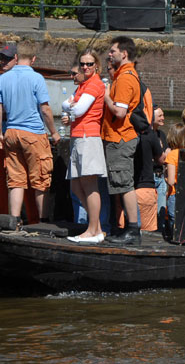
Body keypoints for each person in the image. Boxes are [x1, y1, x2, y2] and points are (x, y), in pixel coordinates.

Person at [0, 42, 60, 223]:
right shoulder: (36, 78)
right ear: (33, 59)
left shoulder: (3, 79)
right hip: (33, 133)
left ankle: (13, 222)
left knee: (15, 181)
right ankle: (43, 223)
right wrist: (54, 133)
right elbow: (45, 109)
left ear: (16, 57)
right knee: (41, 181)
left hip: (11, 132)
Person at [0, 44, 39, 222]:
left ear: (17, 59)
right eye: (1, 58)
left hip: (16, 134)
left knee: (22, 178)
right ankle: (1, 217)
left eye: (7, 58)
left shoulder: (27, 79)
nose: (2, 61)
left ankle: (33, 220)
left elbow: (25, 108)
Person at [62, 50, 107, 243]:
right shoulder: (83, 85)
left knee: (89, 185)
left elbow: (78, 108)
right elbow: (67, 105)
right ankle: (95, 227)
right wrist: (71, 107)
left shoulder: (94, 84)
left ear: (96, 65)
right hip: (78, 137)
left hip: (88, 138)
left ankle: (93, 231)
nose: (85, 67)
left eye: (89, 64)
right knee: (75, 184)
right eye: (82, 64)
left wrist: (71, 107)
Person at [102, 36, 142, 245]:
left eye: (112, 51)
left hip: (120, 137)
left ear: (124, 53)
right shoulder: (122, 75)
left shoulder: (126, 78)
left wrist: (106, 94)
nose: (109, 55)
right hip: (117, 137)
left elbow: (119, 111)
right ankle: (127, 228)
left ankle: (133, 230)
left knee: (125, 184)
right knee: (120, 183)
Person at [164, 123, 185, 235]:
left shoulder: (172, 155)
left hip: (175, 193)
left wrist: (165, 177)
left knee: (174, 218)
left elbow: (171, 181)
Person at [152, 106, 170, 231]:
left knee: (162, 208)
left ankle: (160, 230)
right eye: (160, 116)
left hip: (160, 176)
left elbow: (167, 153)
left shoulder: (161, 134)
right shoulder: (147, 135)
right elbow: (163, 155)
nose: (163, 118)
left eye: (163, 115)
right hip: (150, 175)